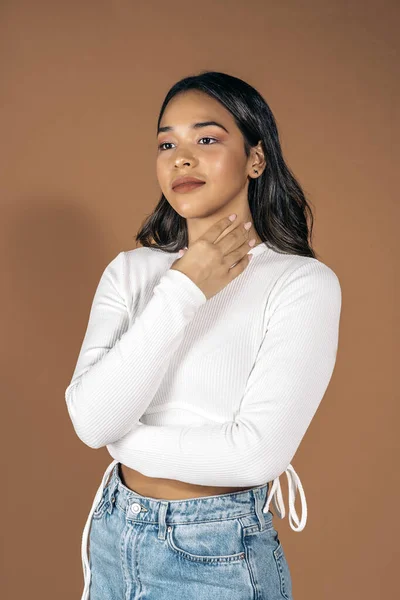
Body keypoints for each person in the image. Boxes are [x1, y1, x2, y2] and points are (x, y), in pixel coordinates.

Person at [65, 70, 342, 600]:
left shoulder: (302, 284)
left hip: (217, 553)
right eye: (167, 143)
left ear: (256, 159)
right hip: (114, 530)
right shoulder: (131, 272)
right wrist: (186, 286)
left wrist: (123, 440)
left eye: (207, 139)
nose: (181, 158)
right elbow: (89, 420)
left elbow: (255, 457)